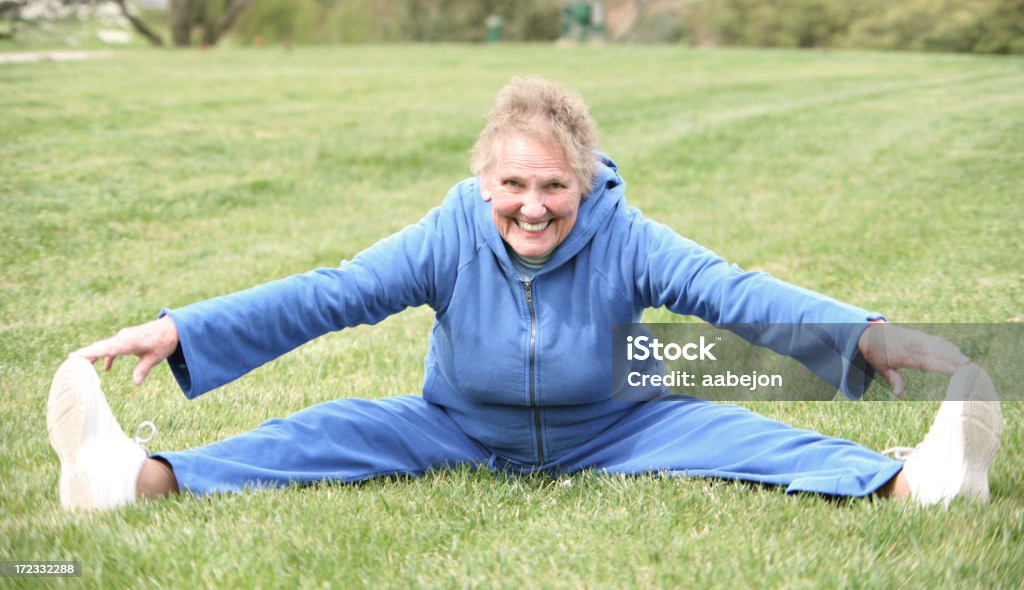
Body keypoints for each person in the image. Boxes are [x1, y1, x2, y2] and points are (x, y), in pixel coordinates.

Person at [47, 76, 1002, 512]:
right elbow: (328, 295)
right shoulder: (448, 230)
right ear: (485, 182)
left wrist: (865, 336)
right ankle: (132, 478)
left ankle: (921, 479)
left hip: (620, 424)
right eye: (514, 185)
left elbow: (730, 291)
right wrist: (180, 329)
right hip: (456, 423)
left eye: (555, 186)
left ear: (584, 181)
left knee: (751, 434)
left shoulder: (625, 232)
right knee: (322, 432)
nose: (534, 207)